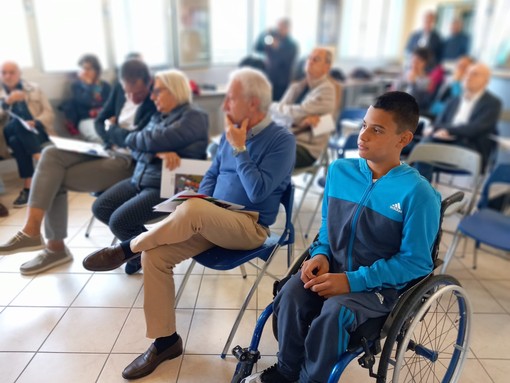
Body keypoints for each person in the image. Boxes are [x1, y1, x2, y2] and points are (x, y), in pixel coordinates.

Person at [82, 67, 296, 380]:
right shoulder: (230, 131)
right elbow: (211, 175)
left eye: (231, 98)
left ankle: (126, 248)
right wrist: (198, 196)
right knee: (155, 255)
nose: (224, 106)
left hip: (249, 226)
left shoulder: (281, 140)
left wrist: (239, 148)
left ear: (253, 103)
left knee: (193, 211)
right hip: (213, 217)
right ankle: (166, 341)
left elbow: (259, 191)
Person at [242, 91, 441, 383]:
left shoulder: (418, 194)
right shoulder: (340, 171)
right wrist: (321, 253)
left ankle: (312, 380)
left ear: (403, 139)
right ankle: (286, 371)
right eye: (363, 125)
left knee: (336, 311)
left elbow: (416, 263)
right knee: (291, 293)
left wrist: (351, 281)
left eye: (377, 130)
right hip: (332, 268)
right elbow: (327, 227)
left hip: (378, 288)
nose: (363, 135)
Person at [0, 59, 157, 275]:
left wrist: (115, 132)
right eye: (127, 90)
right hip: (107, 149)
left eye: (136, 92)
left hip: (129, 162)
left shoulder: (156, 98)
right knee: (51, 154)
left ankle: (54, 247)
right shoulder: (121, 90)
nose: (131, 96)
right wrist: (110, 134)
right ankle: (32, 229)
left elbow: (137, 139)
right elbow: (101, 120)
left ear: (147, 84)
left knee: (53, 179)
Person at [91, 69, 209, 275]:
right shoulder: (157, 115)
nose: (152, 97)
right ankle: (139, 252)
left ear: (174, 91)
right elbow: (137, 147)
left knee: (120, 221)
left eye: (157, 92)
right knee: (100, 207)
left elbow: (143, 140)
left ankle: (148, 253)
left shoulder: (194, 116)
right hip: (141, 178)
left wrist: (149, 146)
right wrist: (157, 154)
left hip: (170, 186)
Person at [419, 62, 502, 179]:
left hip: (471, 148)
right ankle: (421, 192)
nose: (468, 76)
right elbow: (439, 122)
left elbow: (475, 129)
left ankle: (422, 193)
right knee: (419, 147)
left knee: (422, 149)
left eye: (474, 74)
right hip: (444, 142)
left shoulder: (492, 103)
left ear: (486, 81)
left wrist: (447, 130)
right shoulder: (454, 100)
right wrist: (438, 130)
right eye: (467, 73)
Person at [270, 47, 336, 168]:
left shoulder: (327, 90)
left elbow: (296, 113)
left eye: (316, 59)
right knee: (249, 146)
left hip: (304, 147)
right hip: (282, 138)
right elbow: (276, 116)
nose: (310, 61)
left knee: (267, 158)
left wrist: (272, 107)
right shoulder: (296, 87)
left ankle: (275, 186)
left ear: (326, 67)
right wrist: (294, 119)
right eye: (309, 58)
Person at [0, 61, 55, 207]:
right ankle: (42, 160)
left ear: (19, 74)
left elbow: (48, 113)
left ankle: (28, 188)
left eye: (12, 72)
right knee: (17, 125)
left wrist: (35, 122)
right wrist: (6, 102)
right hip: (8, 132)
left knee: (17, 140)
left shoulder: (34, 89)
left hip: (37, 131)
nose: (8, 76)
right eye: (4, 72)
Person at [59, 54, 111, 142]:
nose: (85, 71)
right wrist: (88, 86)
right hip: (86, 120)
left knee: (115, 136)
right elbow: (88, 101)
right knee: (98, 138)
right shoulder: (76, 86)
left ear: (96, 70)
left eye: (89, 69)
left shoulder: (105, 86)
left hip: (105, 119)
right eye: (83, 68)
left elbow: (109, 105)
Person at [255, 18, 298, 101]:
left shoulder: (292, 45)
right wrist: (265, 33)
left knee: (279, 107)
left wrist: (277, 48)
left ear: (287, 28)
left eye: (281, 27)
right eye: (277, 27)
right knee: (266, 104)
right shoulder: (271, 40)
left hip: (282, 83)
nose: (278, 30)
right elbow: (257, 48)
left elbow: (284, 62)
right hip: (268, 79)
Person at [393, 48, 441, 113]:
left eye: (418, 61)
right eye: (413, 60)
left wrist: (413, 82)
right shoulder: (405, 74)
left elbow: (419, 102)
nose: (414, 64)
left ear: (425, 63)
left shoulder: (428, 81)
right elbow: (395, 91)